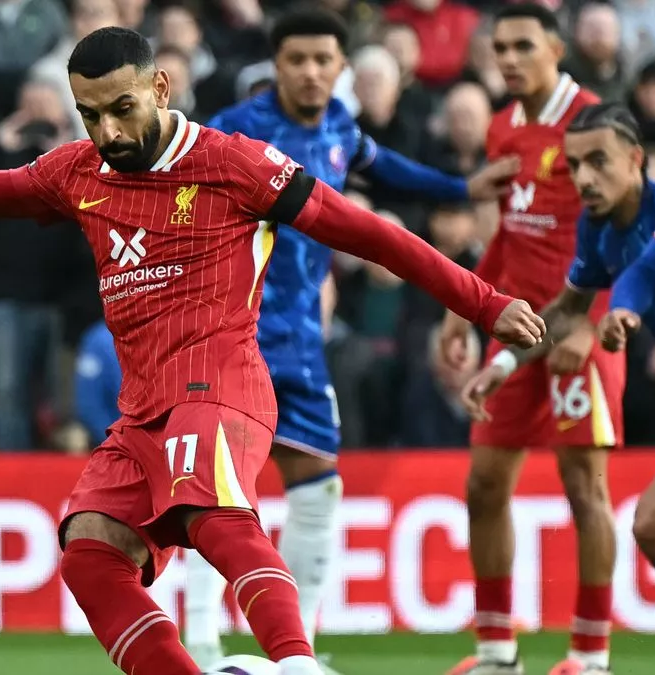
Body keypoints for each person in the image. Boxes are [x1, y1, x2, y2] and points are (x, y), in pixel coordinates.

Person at [0, 27, 544, 675]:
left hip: (220, 382)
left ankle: (297, 664)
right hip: (143, 403)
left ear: (161, 86)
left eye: (121, 107)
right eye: (91, 114)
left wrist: (486, 301)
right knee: (89, 550)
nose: (107, 130)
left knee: (208, 509)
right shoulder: (76, 172)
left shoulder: (238, 166)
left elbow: (374, 235)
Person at [184, 9, 518, 668]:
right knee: (216, 493)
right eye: (297, 60)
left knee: (317, 486)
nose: (310, 72)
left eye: (322, 61)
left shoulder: (339, 126)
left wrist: (458, 186)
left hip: (303, 339)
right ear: (274, 68)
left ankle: (296, 650)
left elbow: (384, 166)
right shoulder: (231, 132)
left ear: (340, 68)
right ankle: (198, 640)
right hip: (228, 335)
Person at [465, 105, 655, 653]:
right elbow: (565, 312)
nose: (583, 177)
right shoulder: (601, 230)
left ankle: (590, 658)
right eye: (575, 165)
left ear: (635, 159)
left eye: (598, 162)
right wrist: (505, 364)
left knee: (653, 522)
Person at [435, 6, 617, 674]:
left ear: (557, 49)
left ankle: (590, 657)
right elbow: (511, 230)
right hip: (516, 324)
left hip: (577, 327)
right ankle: (495, 653)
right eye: (500, 47)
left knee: (583, 488)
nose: (509, 59)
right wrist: (464, 305)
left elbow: (627, 227)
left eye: (523, 46)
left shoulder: (594, 121)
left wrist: (594, 323)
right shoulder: (504, 126)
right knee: (484, 485)